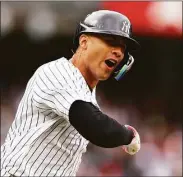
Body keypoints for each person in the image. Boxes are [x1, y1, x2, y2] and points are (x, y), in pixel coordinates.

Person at [1, 10, 141, 177]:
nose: (118, 51)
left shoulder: (88, 93)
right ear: (84, 42)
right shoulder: (56, 73)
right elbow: (96, 127)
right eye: (110, 41)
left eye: (122, 47)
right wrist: (128, 134)